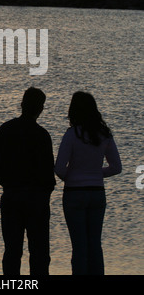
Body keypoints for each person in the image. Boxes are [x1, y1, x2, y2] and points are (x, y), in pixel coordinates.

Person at [0, 87, 55, 276]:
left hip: (12, 196)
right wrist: (45, 193)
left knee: (12, 251)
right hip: (36, 199)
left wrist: (6, 183)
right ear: (40, 109)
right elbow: (49, 170)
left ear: (22, 105)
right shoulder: (42, 135)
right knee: (40, 253)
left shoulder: (5, 129)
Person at [55, 91, 122, 275]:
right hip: (97, 193)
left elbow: (59, 168)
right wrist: (95, 174)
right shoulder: (104, 134)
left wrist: (74, 177)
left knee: (79, 247)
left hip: (74, 194)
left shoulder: (71, 135)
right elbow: (116, 167)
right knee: (95, 244)